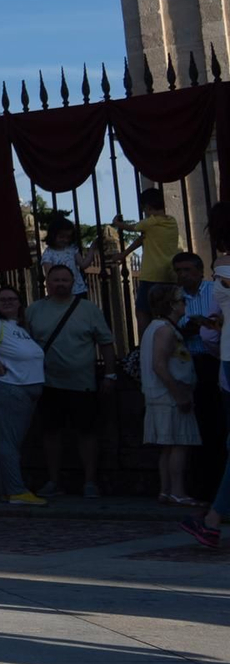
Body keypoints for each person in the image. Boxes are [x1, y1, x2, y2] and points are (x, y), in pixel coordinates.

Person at [26, 263, 119, 499]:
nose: (60, 284)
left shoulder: (88, 309)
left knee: (87, 433)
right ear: (47, 283)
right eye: (55, 280)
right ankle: (53, 480)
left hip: (83, 382)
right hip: (47, 383)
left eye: (64, 280)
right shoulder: (34, 310)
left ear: (73, 282)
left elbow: (106, 342)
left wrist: (110, 373)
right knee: (50, 434)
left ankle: (90, 481)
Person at [0, 285, 47, 505]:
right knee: (10, 441)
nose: (7, 302)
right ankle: (15, 490)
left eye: (12, 299)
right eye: (2, 299)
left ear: (20, 303)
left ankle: (9, 488)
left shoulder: (20, 327)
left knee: (12, 441)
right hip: (9, 387)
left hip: (23, 389)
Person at [141, 284, 202, 505]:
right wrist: (179, 395)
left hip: (161, 396)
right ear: (171, 305)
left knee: (167, 447)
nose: (184, 303)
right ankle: (177, 491)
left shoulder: (158, 327)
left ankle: (166, 490)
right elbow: (160, 365)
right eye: (181, 300)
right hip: (169, 398)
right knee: (178, 445)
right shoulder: (164, 330)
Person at [175, 251, 226, 498]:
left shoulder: (214, 291)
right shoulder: (176, 298)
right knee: (200, 425)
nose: (183, 275)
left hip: (214, 360)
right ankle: (204, 485)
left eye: (187, 270)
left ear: (199, 270)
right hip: (191, 360)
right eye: (179, 271)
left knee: (218, 422)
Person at [120, 189, 180, 329]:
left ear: (148, 207)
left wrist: (117, 224)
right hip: (169, 275)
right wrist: (124, 253)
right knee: (168, 312)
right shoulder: (172, 221)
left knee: (142, 311)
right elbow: (143, 239)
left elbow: (133, 227)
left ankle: (145, 345)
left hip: (151, 275)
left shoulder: (150, 222)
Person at [39, 214, 92, 298]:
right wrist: (50, 294)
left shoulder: (72, 249)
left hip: (78, 289)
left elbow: (83, 264)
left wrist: (92, 249)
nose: (65, 240)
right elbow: (49, 276)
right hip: (60, 292)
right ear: (53, 235)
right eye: (61, 236)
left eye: (68, 237)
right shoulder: (48, 254)